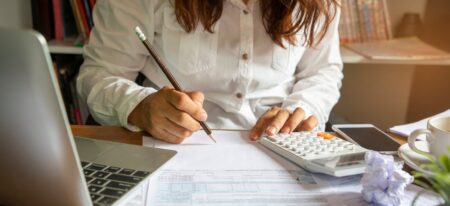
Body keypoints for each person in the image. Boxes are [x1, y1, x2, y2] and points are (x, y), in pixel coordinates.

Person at [77, 0, 342, 144]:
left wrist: (302, 110)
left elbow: (323, 71)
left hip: (283, 149)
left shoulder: (319, 5)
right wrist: (138, 107)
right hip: (170, 146)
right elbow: (100, 74)